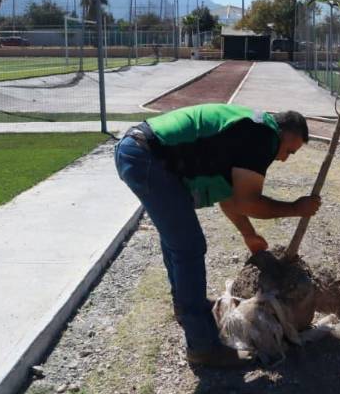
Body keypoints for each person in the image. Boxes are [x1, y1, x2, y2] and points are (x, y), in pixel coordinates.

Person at [114, 104, 320, 368]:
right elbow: (249, 202)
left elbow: (230, 198)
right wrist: (295, 208)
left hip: (142, 152)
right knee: (188, 247)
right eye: (289, 150)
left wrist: (249, 235)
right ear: (284, 132)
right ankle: (203, 348)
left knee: (177, 241)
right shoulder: (262, 137)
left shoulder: (251, 129)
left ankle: (188, 308)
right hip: (148, 157)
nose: (284, 158)